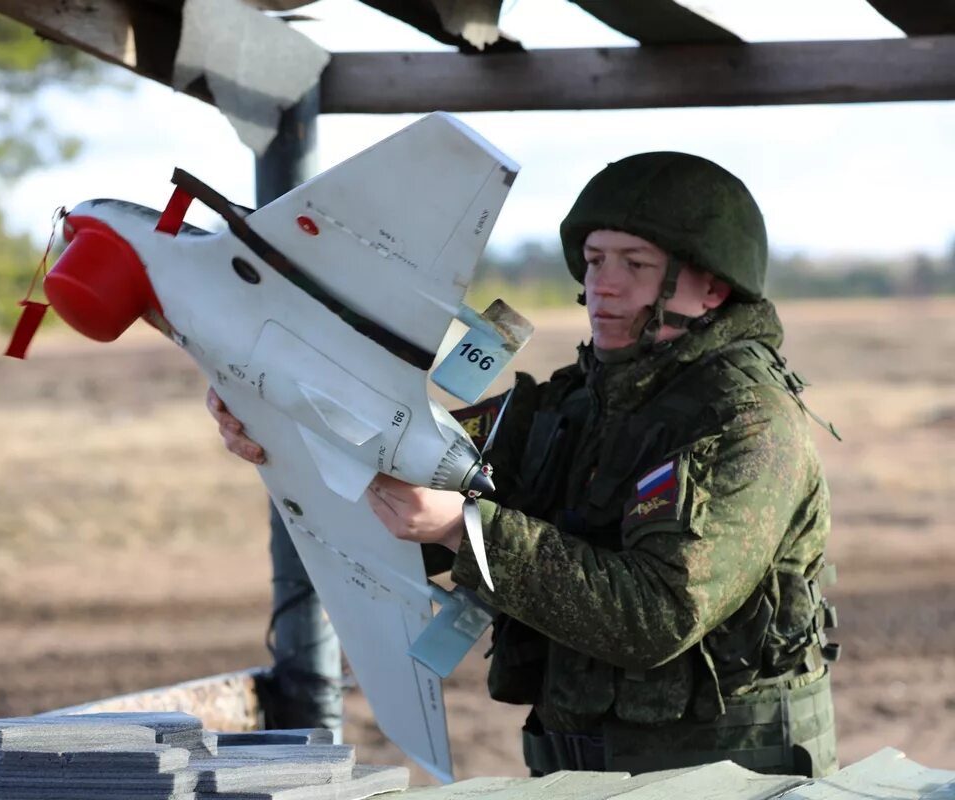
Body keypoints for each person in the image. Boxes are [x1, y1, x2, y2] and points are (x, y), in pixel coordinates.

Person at [208, 151, 840, 777]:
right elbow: (404, 480)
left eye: (636, 265)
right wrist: (275, 423)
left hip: (726, 782)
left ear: (713, 288)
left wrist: (466, 529)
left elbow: (656, 615)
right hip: (581, 778)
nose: (604, 285)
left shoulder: (747, 423)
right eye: (594, 261)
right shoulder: (570, 404)